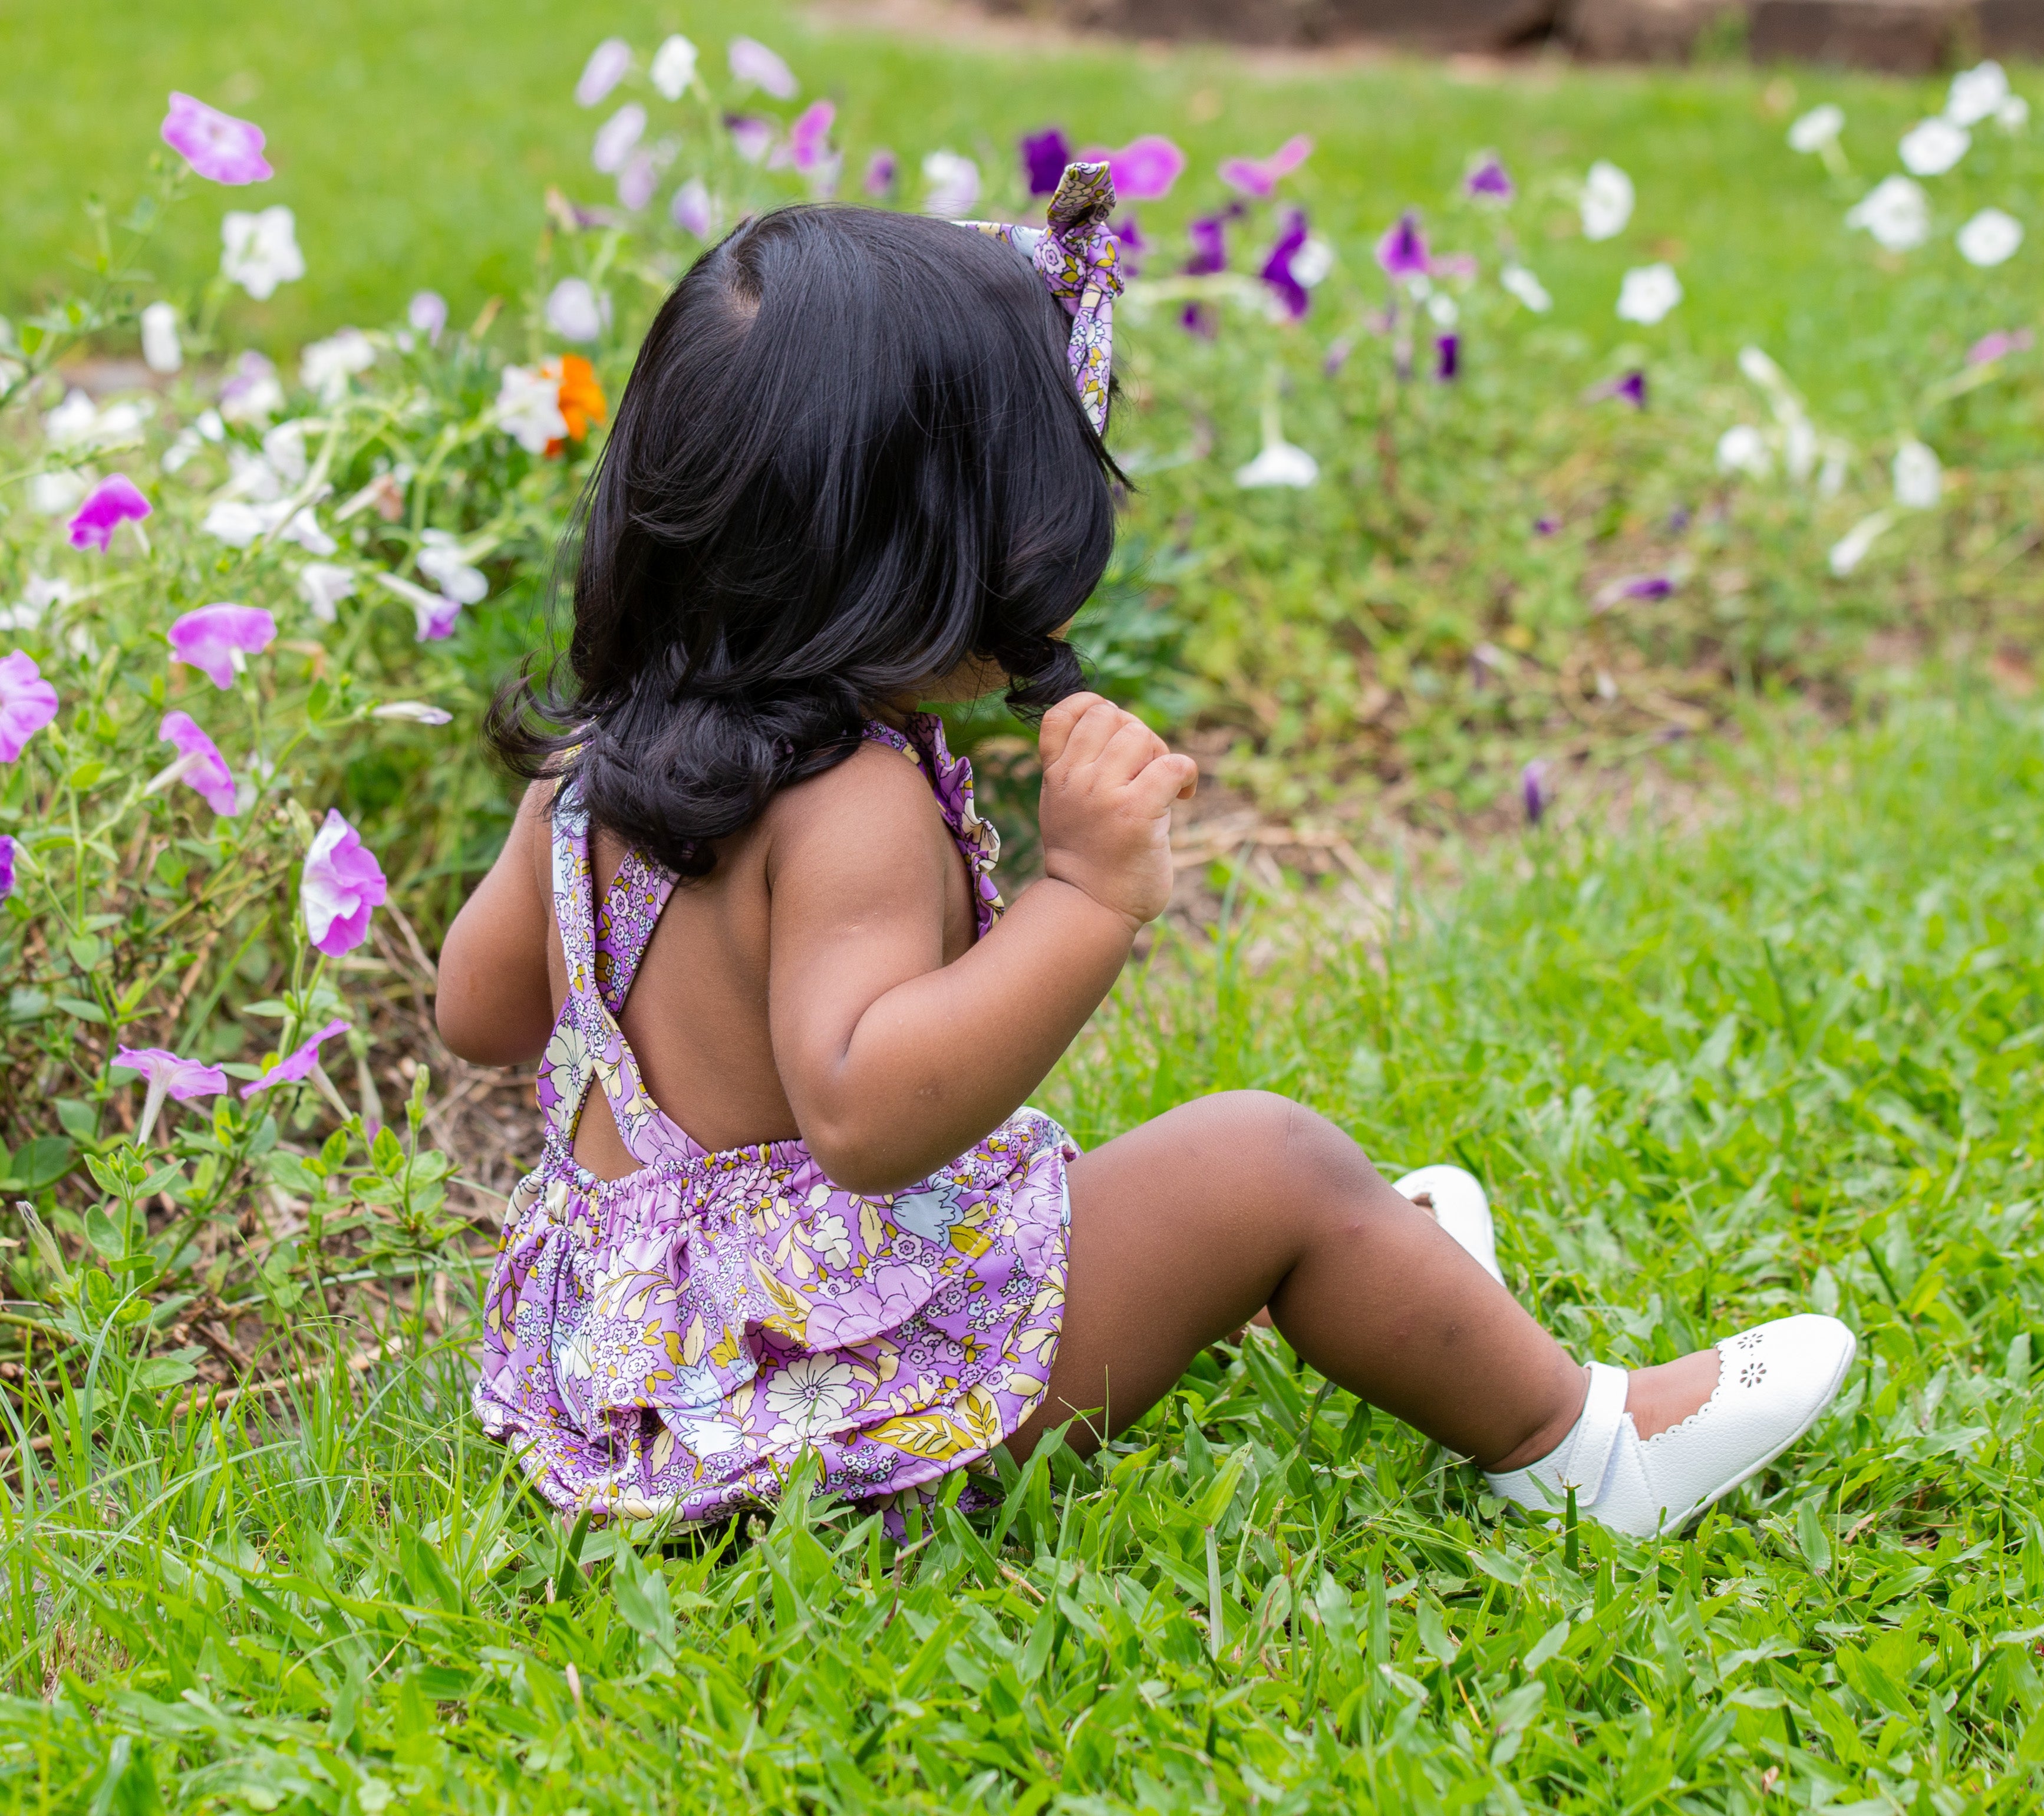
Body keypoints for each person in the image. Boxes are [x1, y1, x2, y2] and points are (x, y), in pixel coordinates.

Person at [436, 167, 1855, 1541]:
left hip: (641, 1394)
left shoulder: (590, 767)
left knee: (1181, 1198)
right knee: (1269, 1161)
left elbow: (479, 1008)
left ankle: (1396, 1282)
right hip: (838, 1423)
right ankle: (1587, 1446)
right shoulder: (845, 804)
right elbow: (866, 1114)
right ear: (917, 552)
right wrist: (1089, 891)